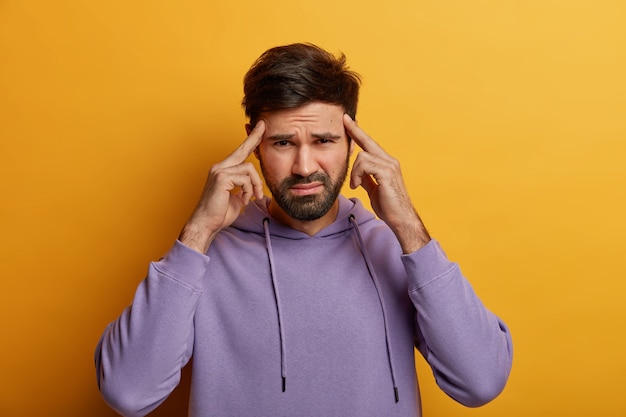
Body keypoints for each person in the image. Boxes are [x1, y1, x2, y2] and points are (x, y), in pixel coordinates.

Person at [95, 43, 513, 417]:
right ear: (253, 144)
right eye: (283, 143)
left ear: (352, 141)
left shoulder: (396, 247)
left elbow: (480, 382)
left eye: (324, 140)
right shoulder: (204, 256)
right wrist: (197, 233)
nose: (305, 167)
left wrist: (408, 227)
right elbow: (128, 393)